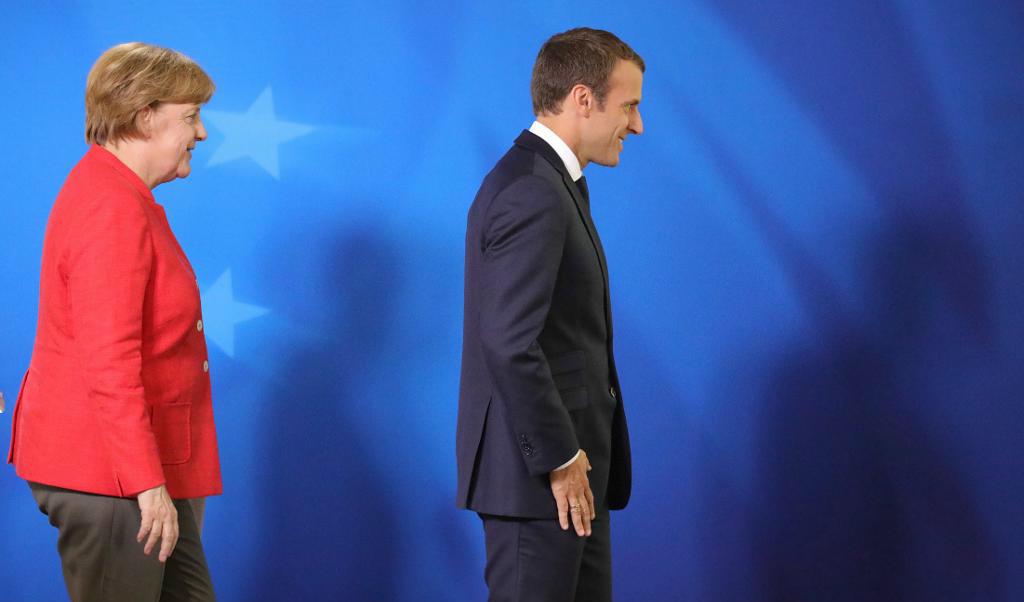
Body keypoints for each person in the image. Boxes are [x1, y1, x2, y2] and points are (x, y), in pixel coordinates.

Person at [6, 42, 221, 601]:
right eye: (191, 116)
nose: (200, 133)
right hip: (108, 475)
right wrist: (147, 484)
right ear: (144, 117)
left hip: (130, 468)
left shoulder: (119, 194)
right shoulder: (110, 205)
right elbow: (108, 361)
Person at [456, 27, 645, 602]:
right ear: (583, 99)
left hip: (569, 481)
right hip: (540, 480)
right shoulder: (533, 190)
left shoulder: (549, 182)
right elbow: (510, 340)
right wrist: (562, 459)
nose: (636, 125)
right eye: (630, 105)